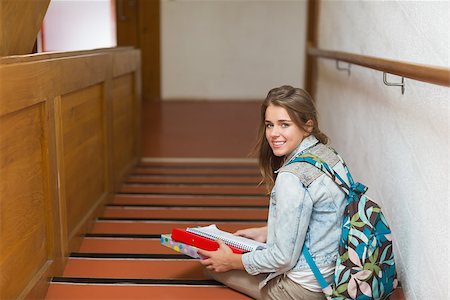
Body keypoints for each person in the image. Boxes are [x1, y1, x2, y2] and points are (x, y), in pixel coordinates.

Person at [197, 85, 349, 300]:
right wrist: (267, 231)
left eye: (284, 125)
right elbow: (322, 221)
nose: (274, 134)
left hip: (303, 289)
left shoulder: (292, 177)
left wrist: (232, 261)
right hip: (337, 276)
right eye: (269, 125)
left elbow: (283, 259)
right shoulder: (329, 156)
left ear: (307, 126)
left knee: (211, 267)